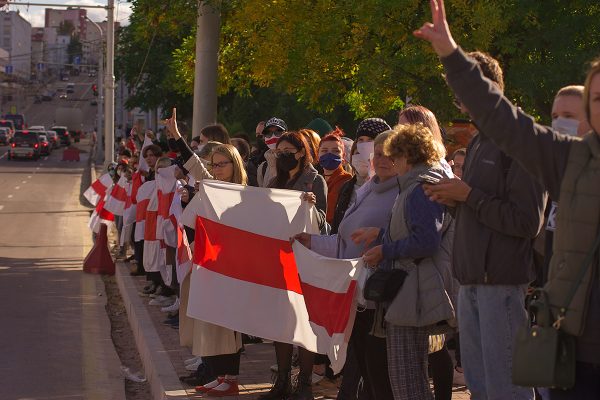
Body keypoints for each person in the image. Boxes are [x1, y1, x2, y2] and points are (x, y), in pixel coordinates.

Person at [414, 2, 600, 399]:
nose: (562, 120)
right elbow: (501, 116)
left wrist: (470, 196)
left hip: (505, 284)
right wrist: (451, 54)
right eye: (595, 99)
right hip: (576, 339)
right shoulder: (569, 158)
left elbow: (524, 220)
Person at [351, 123, 455, 400]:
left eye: (393, 156)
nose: (391, 163)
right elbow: (415, 233)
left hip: (413, 291)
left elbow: (426, 241)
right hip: (410, 288)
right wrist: (383, 237)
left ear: (406, 156)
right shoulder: (417, 186)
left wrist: (386, 250)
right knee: (407, 378)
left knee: (407, 380)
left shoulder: (420, 189)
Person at [302, 130, 397, 400]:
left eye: (389, 154)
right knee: (368, 370)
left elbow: (413, 238)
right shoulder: (368, 189)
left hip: (383, 295)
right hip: (358, 294)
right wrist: (312, 242)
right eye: (377, 154)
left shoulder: (405, 191)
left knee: (379, 373)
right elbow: (346, 240)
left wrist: (379, 237)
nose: (381, 159)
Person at [166, 109, 246, 397]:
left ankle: (231, 378)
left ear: (235, 164)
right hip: (207, 263)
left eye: (223, 164)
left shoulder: (244, 194)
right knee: (209, 320)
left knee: (227, 325)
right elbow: (193, 162)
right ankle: (219, 374)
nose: (218, 168)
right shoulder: (210, 184)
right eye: (215, 164)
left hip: (231, 267)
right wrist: (176, 136)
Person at [260, 130, 327, 400]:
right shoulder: (274, 181)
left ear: (301, 152)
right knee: (282, 322)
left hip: (305, 260)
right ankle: (283, 381)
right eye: (279, 152)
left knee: (305, 321)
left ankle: (306, 383)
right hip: (279, 259)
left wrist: (311, 208)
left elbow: (324, 221)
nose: (283, 156)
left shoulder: (315, 180)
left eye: (288, 151)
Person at [317, 130, 353, 224]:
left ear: (343, 156)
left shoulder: (347, 180)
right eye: (324, 151)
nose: (329, 154)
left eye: (335, 151)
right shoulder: (315, 180)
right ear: (318, 155)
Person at [257, 117, 288, 187]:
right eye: (268, 133)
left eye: (278, 131)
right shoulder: (262, 168)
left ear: (286, 135)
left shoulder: (294, 161)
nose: (273, 136)